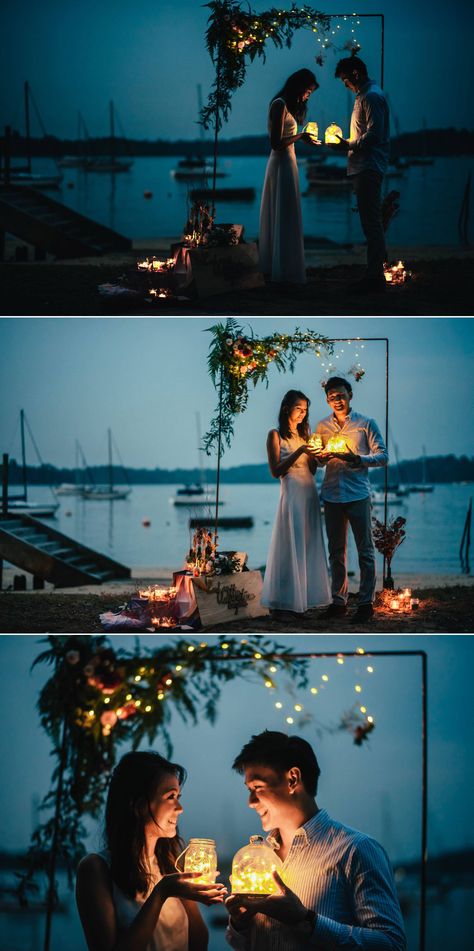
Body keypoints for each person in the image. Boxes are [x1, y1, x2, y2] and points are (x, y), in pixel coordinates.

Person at [226, 730, 406, 951]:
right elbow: (240, 944)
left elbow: (392, 944)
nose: (250, 802)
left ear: (293, 779)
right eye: (249, 790)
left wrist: (306, 920)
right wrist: (239, 923)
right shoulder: (258, 859)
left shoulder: (355, 850)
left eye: (257, 788)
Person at [76, 750, 226, 951]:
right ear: (138, 805)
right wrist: (161, 892)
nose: (180, 807)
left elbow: (198, 944)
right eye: (171, 796)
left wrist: (189, 896)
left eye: (178, 796)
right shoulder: (96, 869)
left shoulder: (169, 865)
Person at [314, 376, 388, 623]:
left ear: (350, 395)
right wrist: (321, 458)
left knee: (365, 550)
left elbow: (383, 456)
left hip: (358, 494)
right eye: (332, 396)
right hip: (332, 494)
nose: (337, 399)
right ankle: (339, 602)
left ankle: (366, 603)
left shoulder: (366, 423)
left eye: (341, 395)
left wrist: (358, 459)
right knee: (336, 551)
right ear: (327, 399)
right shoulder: (322, 426)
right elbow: (318, 459)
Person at [261, 389, 331, 618]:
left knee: (308, 545)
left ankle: (304, 599)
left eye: (305, 409)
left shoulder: (306, 434)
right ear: (286, 408)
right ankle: (284, 602)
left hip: (309, 491)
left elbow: (312, 469)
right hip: (291, 493)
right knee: (291, 545)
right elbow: (276, 471)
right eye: (298, 408)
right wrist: (299, 450)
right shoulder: (275, 435)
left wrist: (316, 456)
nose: (302, 413)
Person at [329, 56, 390, 294]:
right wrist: (349, 144)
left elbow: (375, 134)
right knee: (370, 222)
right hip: (362, 166)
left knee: (372, 223)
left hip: (368, 166)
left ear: (355, 74)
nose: (345, 85)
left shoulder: (372, 96)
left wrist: (348, 145)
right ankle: (374, 274)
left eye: (345, 80)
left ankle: (375, 277)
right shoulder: (364, 96)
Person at [259, 69, 320, 285]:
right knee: (283, 212)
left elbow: (287, 139)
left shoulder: (287, 106)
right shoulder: (279, 104)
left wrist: (301, 138)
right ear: (299, 86)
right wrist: (301, 135)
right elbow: (276, 143)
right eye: (308, 92)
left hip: (289, 162)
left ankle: (286, 266)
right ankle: (280, 269)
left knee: (287, 213)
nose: (307, 96)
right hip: (280, 163)